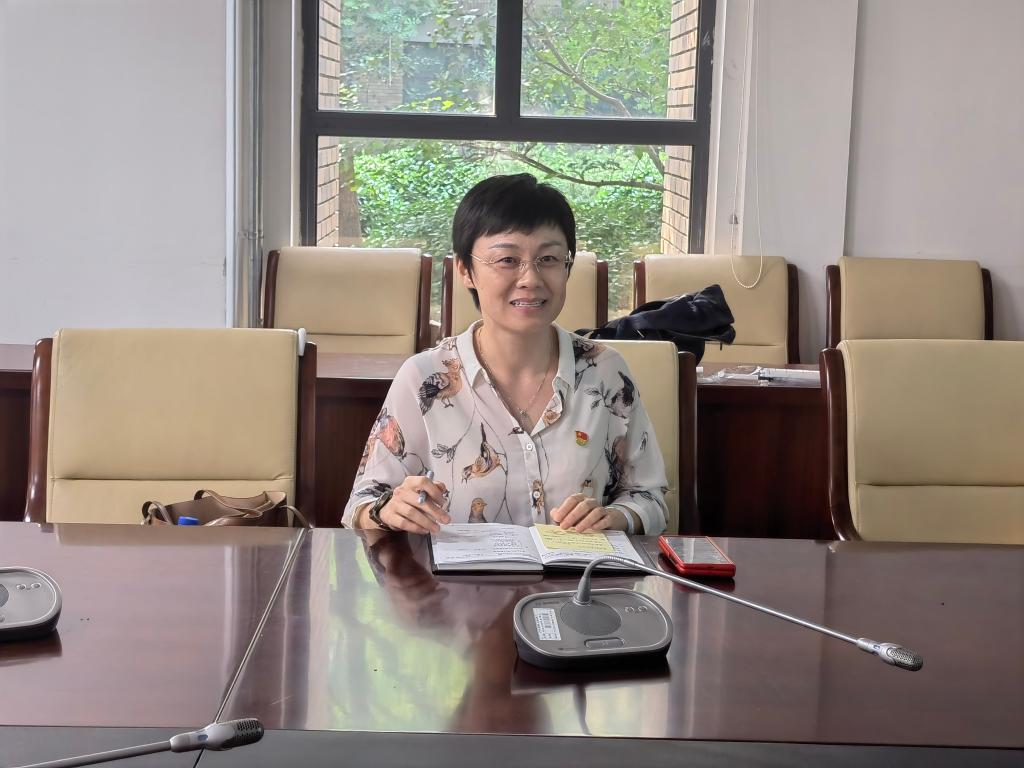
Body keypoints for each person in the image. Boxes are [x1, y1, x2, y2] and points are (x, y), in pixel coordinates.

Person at [343, 173, 668, 536]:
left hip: (577, 575)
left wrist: (616, 517)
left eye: (549, 258)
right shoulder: (424, 377)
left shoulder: (605, 372)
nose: (530, 279)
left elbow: (650, 498)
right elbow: (361, 504)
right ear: (465, 270)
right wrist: (389, 510)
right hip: (460, 575)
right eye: (507, 260)